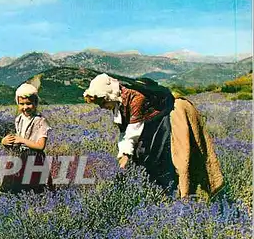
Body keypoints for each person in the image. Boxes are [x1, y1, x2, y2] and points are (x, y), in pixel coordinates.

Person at [83, 73, 223, 198]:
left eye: (102, 102)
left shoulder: (135, 98)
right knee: (147, 156)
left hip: (173, 116)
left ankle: (187, 196)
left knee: (180, 158)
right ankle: (161, 192)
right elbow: (124, 130)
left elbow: (133, 131)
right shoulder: (118, 101)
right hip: (153, 122)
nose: (101, 107)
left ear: (109, 95)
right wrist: (123, 155)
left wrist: (125, 157)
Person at [0, 83, 52, 193]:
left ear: (36, 103)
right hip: (20, 157)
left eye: (29, 103)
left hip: (35, 159)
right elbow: (17, 143)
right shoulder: (19, 119)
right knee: (13, 188)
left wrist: (21, 140)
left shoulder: (40, 121)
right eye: (21, 104)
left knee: (34, 189)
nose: (25, 107)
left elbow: (40, 146)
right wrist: (4, 142)